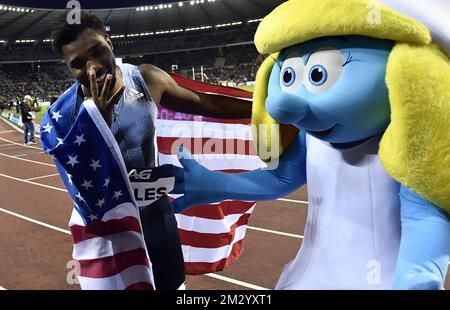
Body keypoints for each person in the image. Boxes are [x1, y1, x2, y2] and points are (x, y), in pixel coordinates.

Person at [171, 0, 450, 289]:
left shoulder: (405, 142)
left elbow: (423, 218)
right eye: (287, 76)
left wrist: (417, 279)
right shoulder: (311, 137)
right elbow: (279, 178)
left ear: (408, 71)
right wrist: (215, 184)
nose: (283, 104)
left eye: (318, 74)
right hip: (306, 275)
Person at [47, 12, 252, 290]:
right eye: (79, 64)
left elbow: (208, 105)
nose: (93, 67)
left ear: (110, 42)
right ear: (68, 67)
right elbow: (81, 178)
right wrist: (97, 123)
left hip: (154, 213)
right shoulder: (65, 115)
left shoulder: (146, 79)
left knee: (172, 287)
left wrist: (265, 108)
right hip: (106, 225)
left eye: (97, 51)